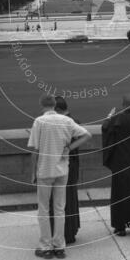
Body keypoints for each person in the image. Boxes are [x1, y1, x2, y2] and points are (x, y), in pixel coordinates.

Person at [27, 94, 91, 259]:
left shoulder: (39, 122)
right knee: (59, 209)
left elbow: (34, 150)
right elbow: (87, 135)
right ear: (55, 105)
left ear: (42, 104)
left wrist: (32, 172)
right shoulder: (67, 121)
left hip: (45, 171)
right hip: (62, 170)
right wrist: (69, 148)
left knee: (43, 210)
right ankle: (59, 246)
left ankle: (46, 246)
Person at [102, 93, 130, 236]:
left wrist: (109, 117)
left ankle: (120, 227)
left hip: (120, 164)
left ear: (122, 105)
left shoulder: (115, 120)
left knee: (120, 195)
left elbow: (105, 130)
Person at [49, 96, 81, 244]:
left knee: (60, 201)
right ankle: (71, 231)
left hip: (62, 167)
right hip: (72, 167)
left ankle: (63, 233)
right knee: (70, 198)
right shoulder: (75, 122)